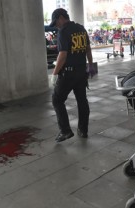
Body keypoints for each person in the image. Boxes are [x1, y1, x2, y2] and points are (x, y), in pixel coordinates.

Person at [49, 8, 93, 142]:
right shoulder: (81, 28)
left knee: (57, 100)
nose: (56, 25)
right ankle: (83, 130)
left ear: (61, 17)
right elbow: (88, 49)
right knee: (82, 100)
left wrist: (54, 73)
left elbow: (62, 55)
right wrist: (91, 67)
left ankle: (65, 131)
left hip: (68, 73)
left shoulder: (63, 31)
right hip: (81, 71)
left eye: (56, 22)